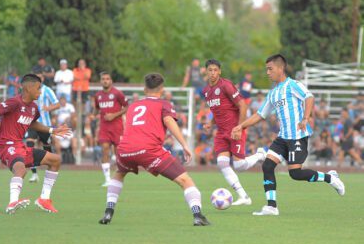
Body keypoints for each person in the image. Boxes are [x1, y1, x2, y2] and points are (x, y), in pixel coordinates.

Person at [231, 54, 345, 216]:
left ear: (280, 68)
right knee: (267, 165)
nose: (268, 73)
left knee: (295, 173)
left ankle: (330, 178)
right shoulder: (273, 93)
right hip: (283, 137)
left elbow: (309, 97)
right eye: (267, 70)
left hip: (297, 136)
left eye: (270, 69)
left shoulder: (293, 85)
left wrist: (305, 118)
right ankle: (271, 206)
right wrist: (240, 126)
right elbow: (260, 114)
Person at [98, 73, 210, 226]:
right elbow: (169, 121)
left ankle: (108, 212)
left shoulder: (133, 106)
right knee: (185, 180)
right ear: (162, 89)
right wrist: (184, 145)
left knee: (119, 174)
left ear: (145, 89)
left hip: (125, 150)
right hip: (149, 150)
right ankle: (198, 215)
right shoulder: (164, 104)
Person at [0, 74, 71, 214]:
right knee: (21, 169)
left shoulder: (33, 108)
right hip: (6, 145)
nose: (40, 92)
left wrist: (52, 130)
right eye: (38, 88)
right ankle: (12, 203)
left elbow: (32, 123)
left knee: (55, 160)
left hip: (20, 146)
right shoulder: (14, 102)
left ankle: (44, 199)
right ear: (28, 88)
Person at [202, 59, 266, 206]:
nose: (213, 73)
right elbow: (217, 111)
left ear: (219, 71)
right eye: (210, 70)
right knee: (222, 163)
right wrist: (210, 124)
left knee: (239, 166)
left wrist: (240, 127)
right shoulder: (206, 91)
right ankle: (243, 196)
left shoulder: (226, 85)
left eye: (215, 70)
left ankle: (260, 155)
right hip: (221, 132)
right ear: (206, 71)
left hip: (234, 129)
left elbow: (242, 105)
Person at [94, 72, 128, 186]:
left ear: (111, 81)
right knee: (104, 149)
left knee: (117, 152)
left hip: (117, 127)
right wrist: (93, 115)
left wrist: (114, 115)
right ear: (101, 81)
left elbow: (127, 107)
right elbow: (97, 108)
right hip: (104, 127)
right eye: (103, 79)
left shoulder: (117, 93)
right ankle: (107, 179)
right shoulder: (98, 95)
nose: (105, 81)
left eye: (107, 79)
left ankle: (117, 177)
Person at [25, 72, 60, 183]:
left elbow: (57, 104)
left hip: (44, 124)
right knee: (29, 144)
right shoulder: (29, 89)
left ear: (43, 78)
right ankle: (34, 174)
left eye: (40, 77)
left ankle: (51, 170)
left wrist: (48, 108)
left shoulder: (47, 90)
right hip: (32, 123)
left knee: (47, 147)